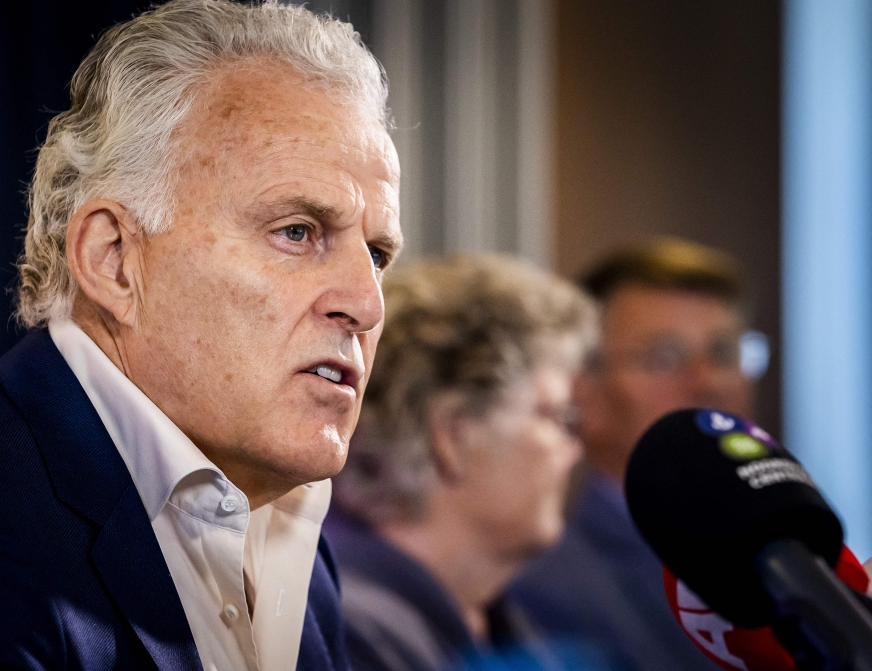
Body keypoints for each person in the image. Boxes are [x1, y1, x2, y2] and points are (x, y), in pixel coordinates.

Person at [0, 0, 402, 671]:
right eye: (296, 232)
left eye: (377, 254)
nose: (367, 303)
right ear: (114, 260)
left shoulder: (288, 524)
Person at [324, 254, 605, 671]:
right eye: (559, 417)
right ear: (453, 436)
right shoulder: (351, 635)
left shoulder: (501, 625)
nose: (575, 447)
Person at [507, 237, 761, 671]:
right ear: (581, 388)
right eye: (665, 357)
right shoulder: (543, 589)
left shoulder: (791, 558)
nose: (709, 382)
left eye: (723, 353)